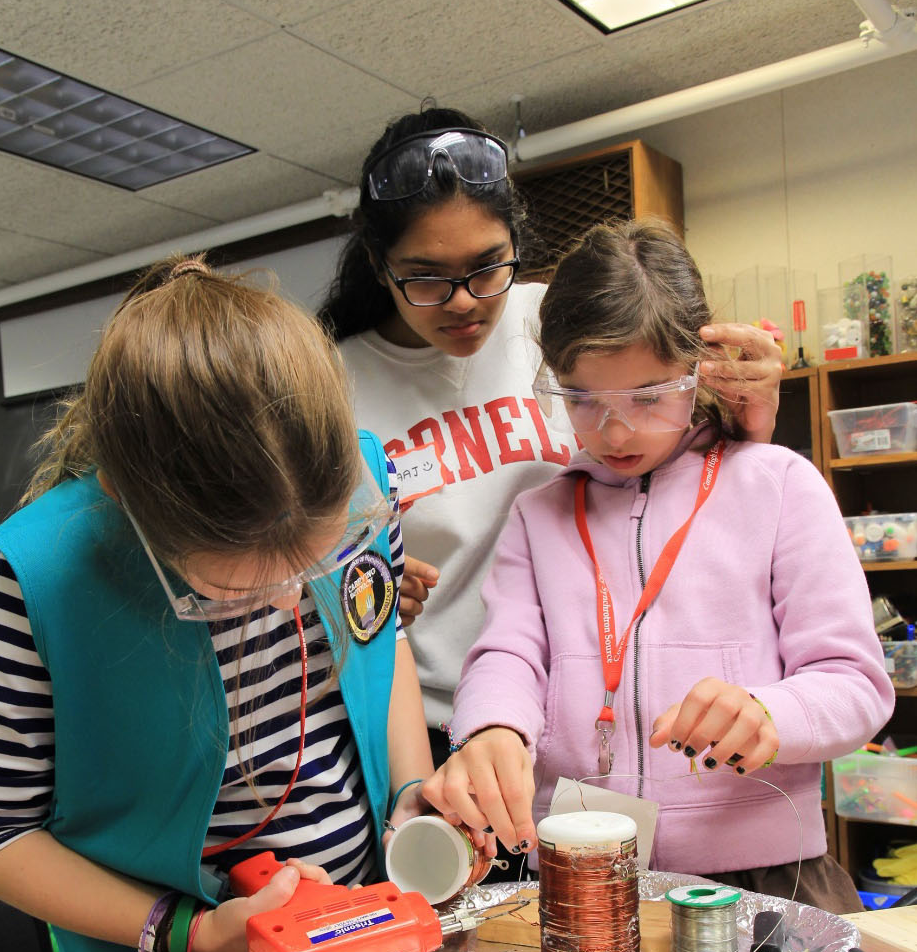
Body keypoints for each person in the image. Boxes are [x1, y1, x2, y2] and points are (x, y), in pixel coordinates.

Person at [0, 256, 435, 952]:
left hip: (360, 950)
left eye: (312, 565)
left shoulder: (352, 476)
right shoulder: (46, 574)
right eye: (234, 591)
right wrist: (189, 930)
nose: (291, 601)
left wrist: (415, 800)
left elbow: (382, 642)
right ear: (140, 512)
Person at [421, 220, 894, 912]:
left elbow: (856, 682)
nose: (614, 431)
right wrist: (493, 726)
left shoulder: (778, 484)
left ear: (699, 369)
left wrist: (770, 712)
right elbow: (509, 654)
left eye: (647, 397)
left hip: (767, 878)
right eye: (582, 398)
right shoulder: (539, 513)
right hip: (583, 878)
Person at [320, 106, 787, 765]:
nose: (462, 301)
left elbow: (686, 476)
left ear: (517, 239)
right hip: (446, 728)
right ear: (379, 263)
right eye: (426, 277)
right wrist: (370, 591)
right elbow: (312, 578)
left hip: (600, 714)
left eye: (487, 266)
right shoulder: (333, 384)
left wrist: (751, 420)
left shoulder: (558, 318)